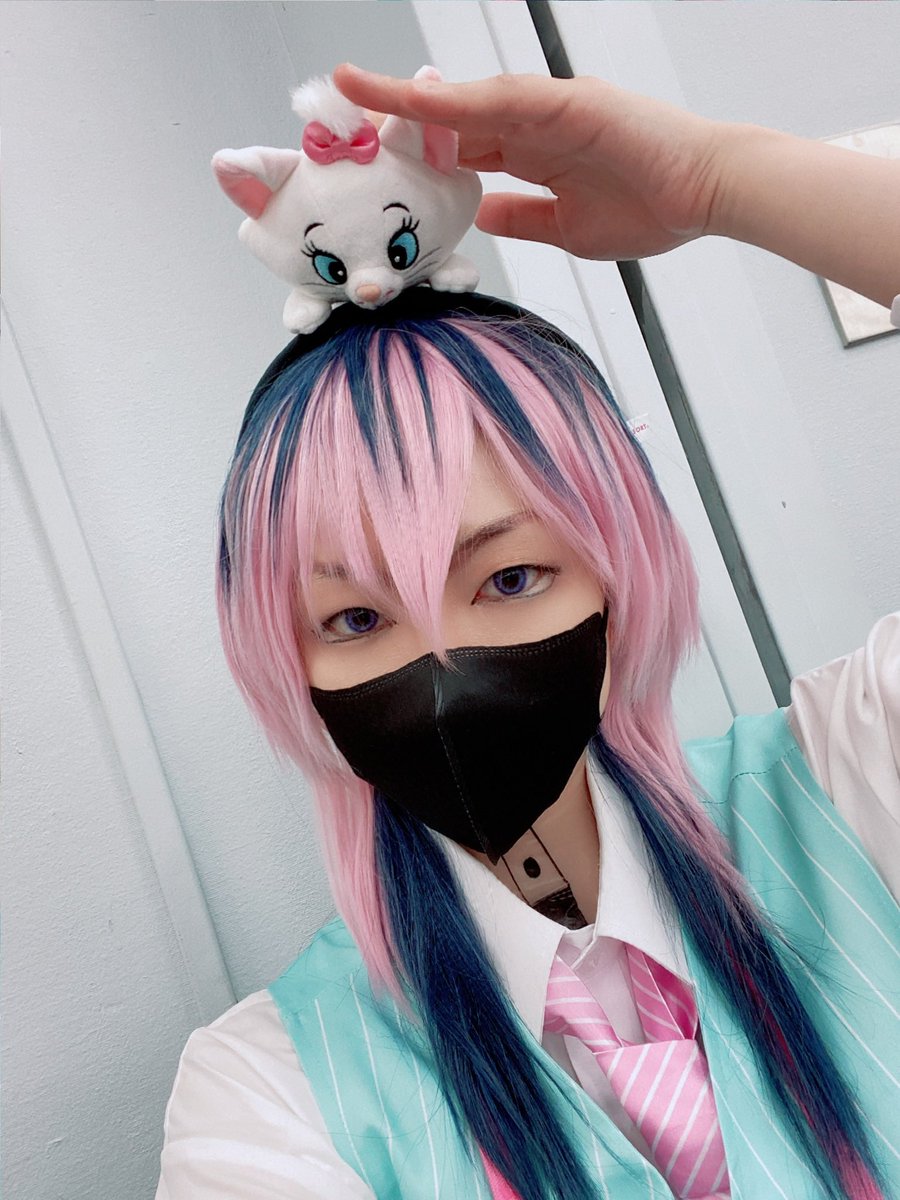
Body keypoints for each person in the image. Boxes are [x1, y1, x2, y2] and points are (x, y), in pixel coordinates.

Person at [155, 69, 899, 1200]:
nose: (444, 671)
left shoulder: (852, 782)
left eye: (508, 577)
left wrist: (720, 181)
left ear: (615, 572)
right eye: (355, 617)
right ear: (289, 662)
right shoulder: (269, 1096)